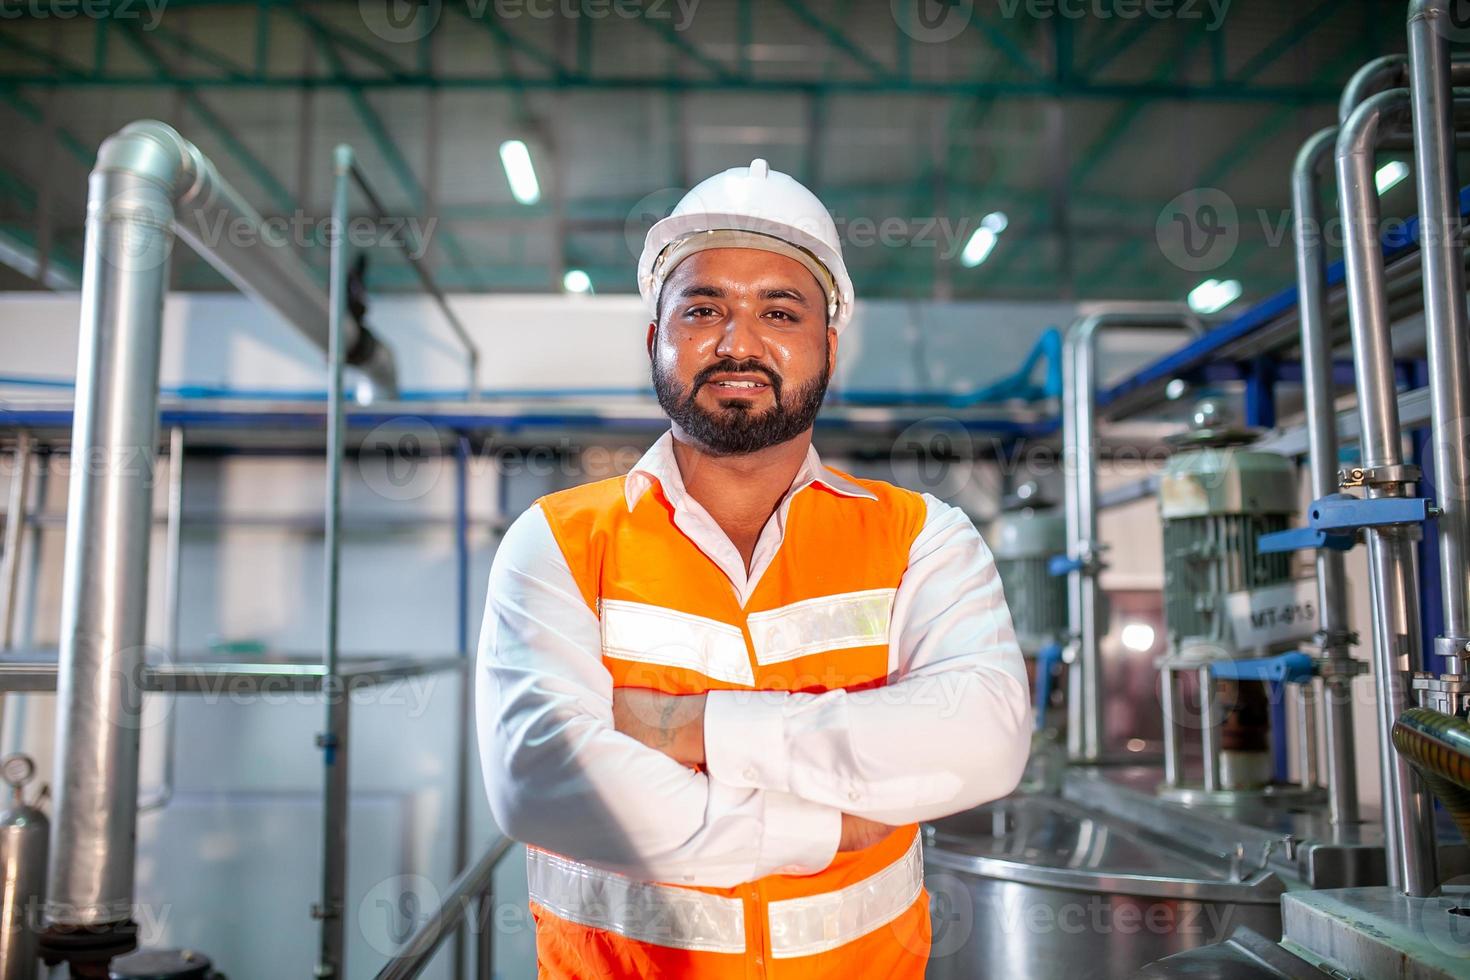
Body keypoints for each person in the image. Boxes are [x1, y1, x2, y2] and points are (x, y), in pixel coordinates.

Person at [476, 159, 1031, 978]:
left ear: (827, 346)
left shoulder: (922, 538)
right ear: (654, 339)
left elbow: (982, 738)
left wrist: (686, 728)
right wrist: (823, 826)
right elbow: (542, 780)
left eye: (780, 310)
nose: (739, 342)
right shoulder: (558, 541)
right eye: (703, 309)